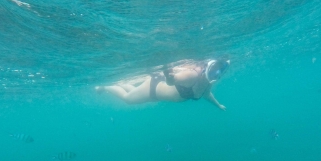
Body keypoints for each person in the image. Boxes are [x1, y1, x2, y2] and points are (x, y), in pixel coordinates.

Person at [95, 58, 230, 110]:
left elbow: (206, 94)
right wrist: (170, 77)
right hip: (153, 89)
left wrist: (218, 105)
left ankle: (122, 84)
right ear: (208, 66)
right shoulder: (192, 75)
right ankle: (105, 87)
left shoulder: (208, 81)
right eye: (214, 70)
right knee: (127, 99)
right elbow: (173, 81)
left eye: (219, 73)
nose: (216, 74)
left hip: (155, 93)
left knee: (133, 92)